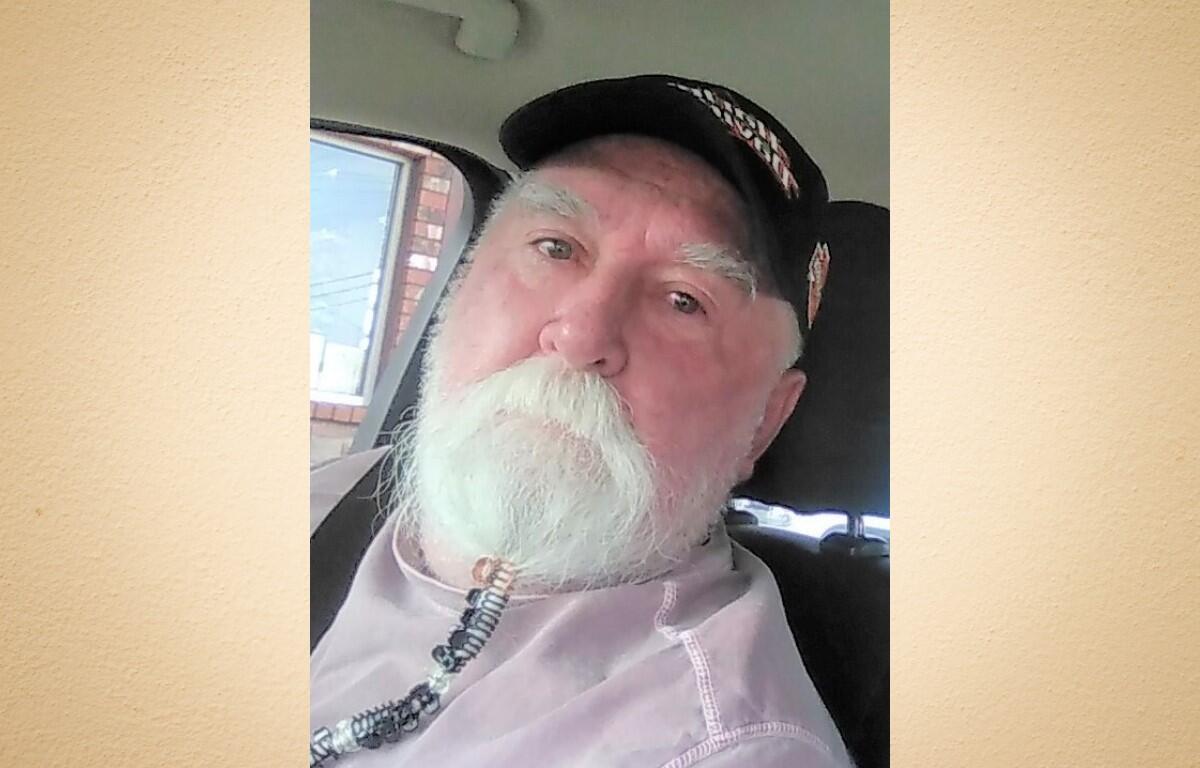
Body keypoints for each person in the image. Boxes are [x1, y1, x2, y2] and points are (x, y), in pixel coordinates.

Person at [310, 75, 852, 767]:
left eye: (684, 300)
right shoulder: (326, 499)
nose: (580, 336)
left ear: (766, 422)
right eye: (556, 248)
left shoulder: (722, 748)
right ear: (461, 285)